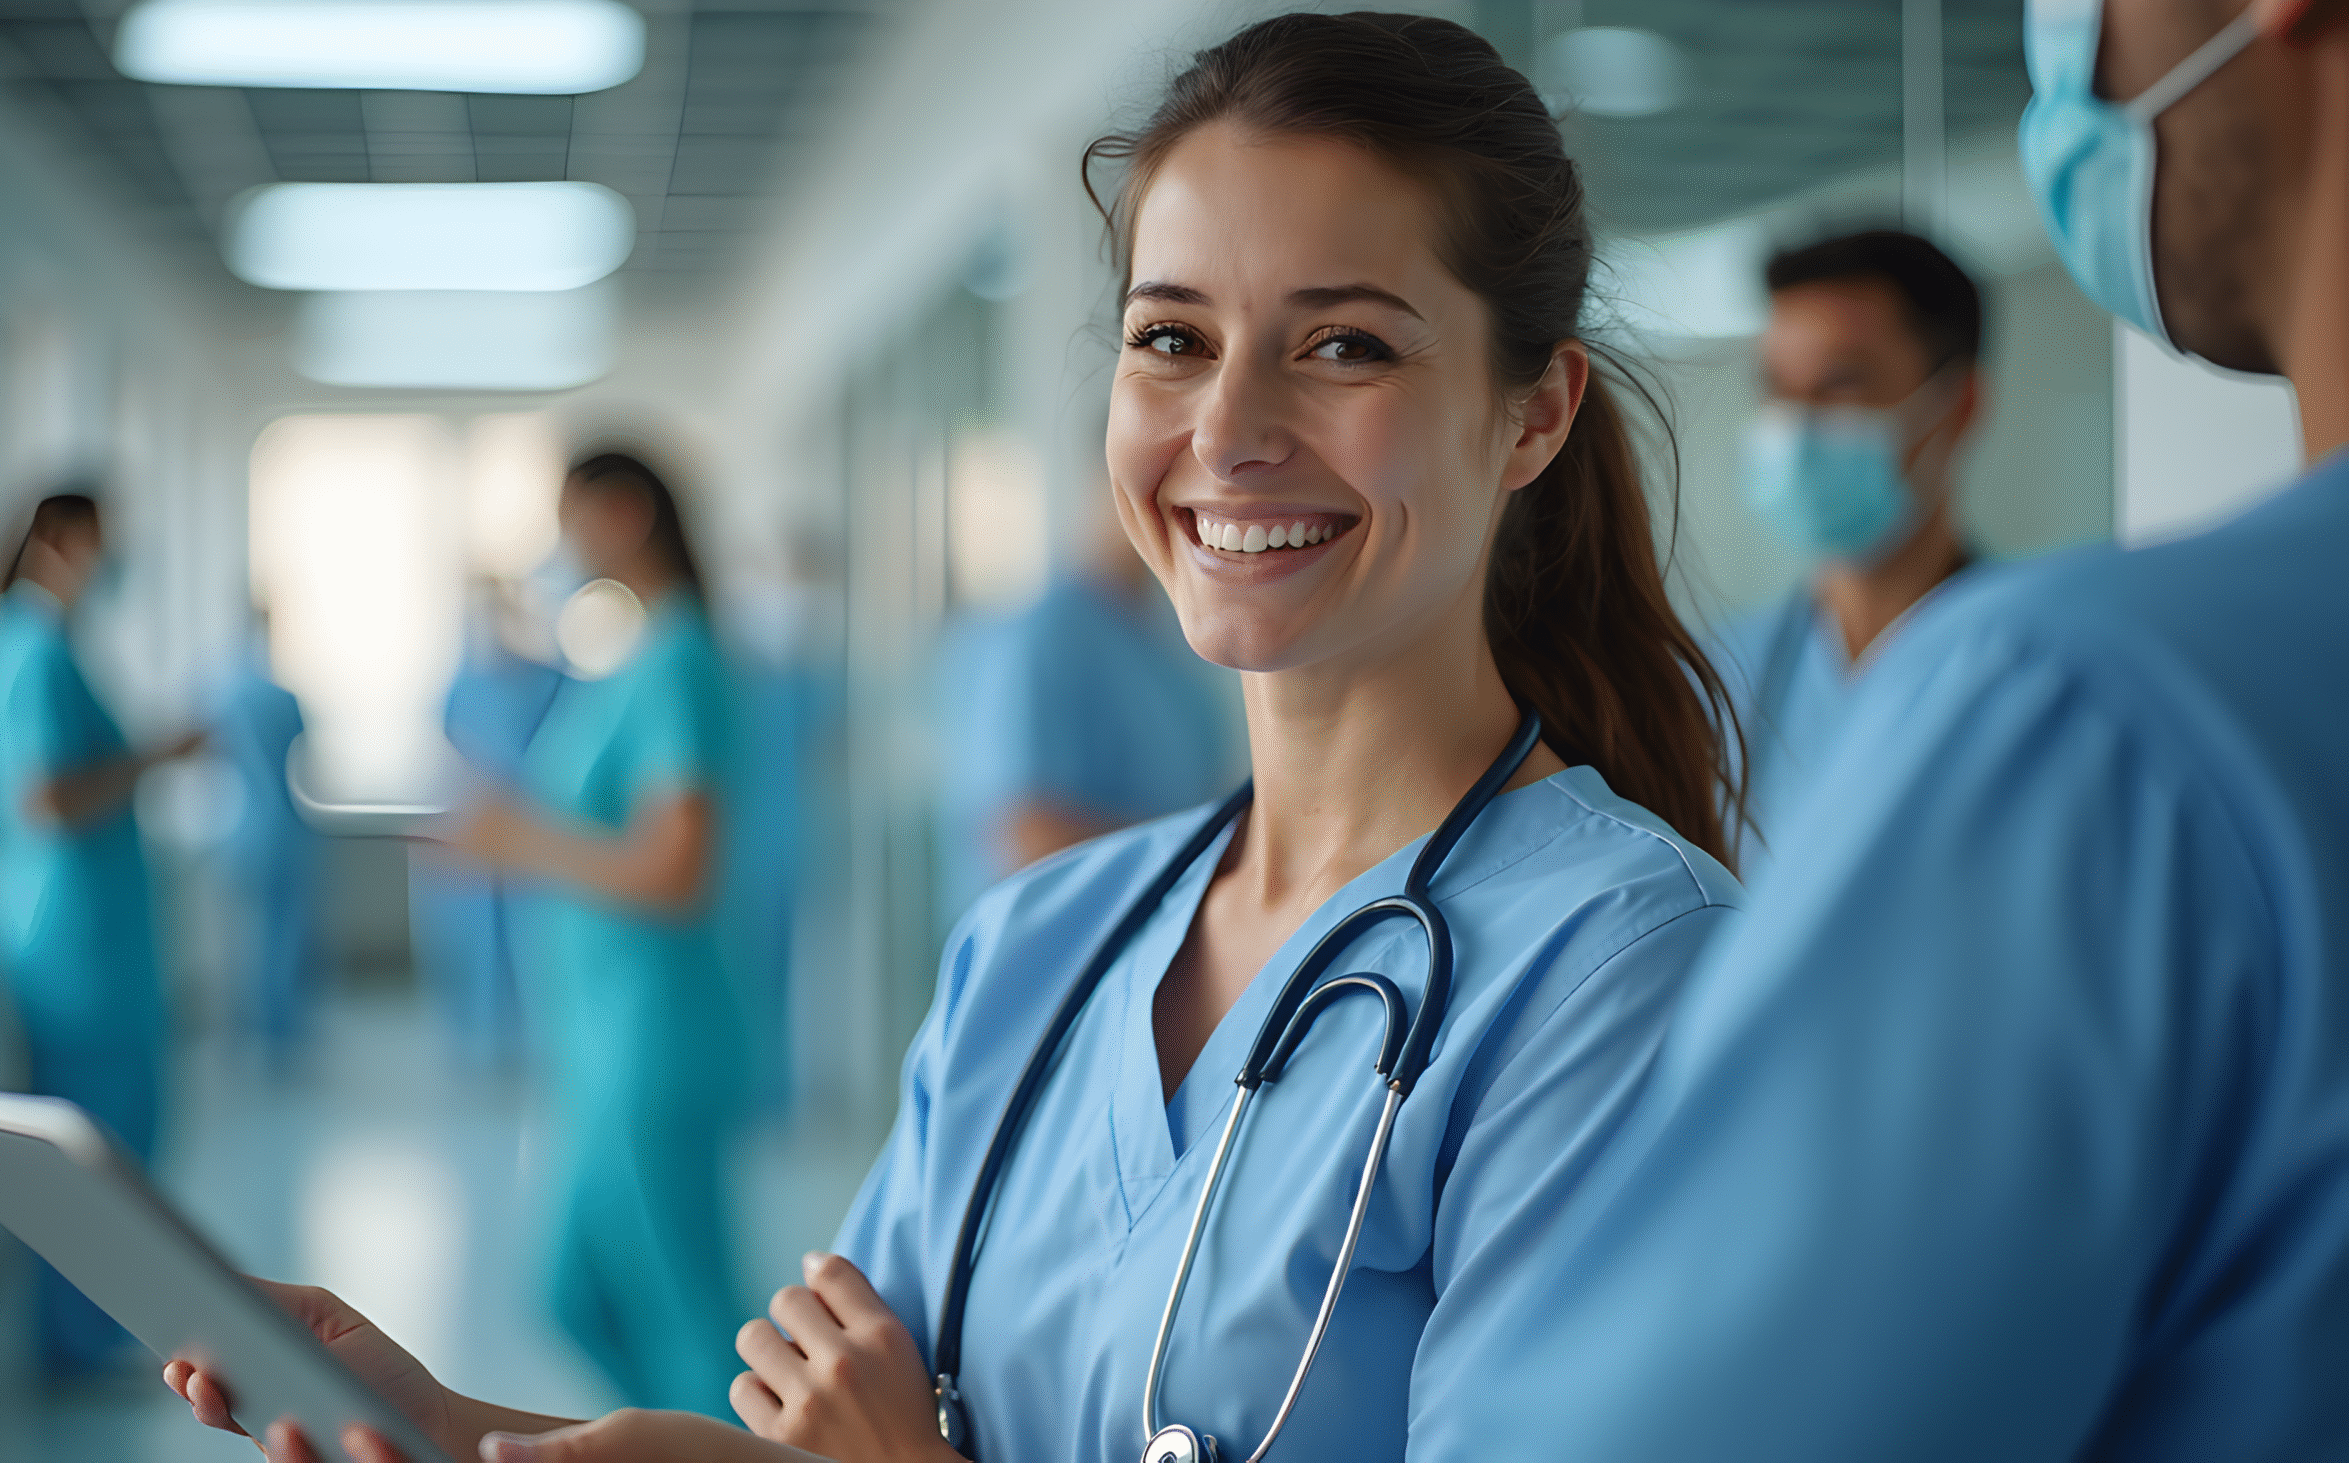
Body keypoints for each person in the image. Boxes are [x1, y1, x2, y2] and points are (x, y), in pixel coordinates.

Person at [167, 15, 1751, 1461]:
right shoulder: (1042, 944)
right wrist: (456, 1425)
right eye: (1173, 338)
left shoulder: (1624, 974)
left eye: (1345, 344)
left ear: (1533, 412)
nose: (1230, 427)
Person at [1443, 0, 2349, 1456]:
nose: (2082, 49)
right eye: (1781, 390)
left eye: (1845, 390)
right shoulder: (1730, 689)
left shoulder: (2076, 712)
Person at [445, 451, 748, 1414]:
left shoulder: (678, 660)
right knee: (574, 1293)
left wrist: (516, 837)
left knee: (690, 1316)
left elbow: (677, 868)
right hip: (597, 1039)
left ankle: (720, 1443)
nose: (562, 546)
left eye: (571, 518)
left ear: (620, 514)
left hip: (650, 1040)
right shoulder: (635, 660)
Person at [0, 490, 200, 1374]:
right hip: (70, 940)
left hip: (73, 931)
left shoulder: (26, 645)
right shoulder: (32, 650)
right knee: (88, 1146)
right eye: (105, 540)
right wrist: (154, 757)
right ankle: (74, 1343)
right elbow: (47, 797)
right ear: (61, 540)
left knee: (102, 1135)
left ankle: (85, 1335)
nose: (115, 558)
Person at [1714, 229, 1985, 875]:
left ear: (1960, 406)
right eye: (1778, 387)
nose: (1798, 426)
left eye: (1841, 384)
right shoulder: (1713, 683)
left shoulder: (2040, 670)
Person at [935, 506, 1237, 924]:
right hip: (1072, 951)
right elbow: (1025, 835)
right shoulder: (1050, 635)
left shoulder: (1173, 634)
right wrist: (1193, 859)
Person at [411, 577, 564, 1070]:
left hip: (529, 830)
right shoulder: (459, 686)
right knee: (468, 939)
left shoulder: (545, 679)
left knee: (529, 941)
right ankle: (474, 1040)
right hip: (476, 829)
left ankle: (523, 1038)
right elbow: (449, 758)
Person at [204, 608, 320, 1064]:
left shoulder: (222, 694)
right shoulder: (284, 699)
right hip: (284, 830)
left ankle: (248, 1031)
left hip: (243, 830)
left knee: (247, 940)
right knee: (285, 936)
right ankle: (280, 1035)